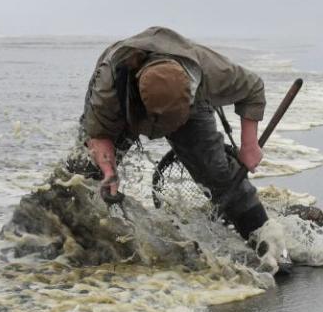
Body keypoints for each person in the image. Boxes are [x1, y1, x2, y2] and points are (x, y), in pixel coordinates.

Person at [68, 26, 270, 239]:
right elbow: (99, 136)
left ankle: (266, 241)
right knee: (86, 173)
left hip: (191, 106)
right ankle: (71, 236)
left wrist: (249, 145)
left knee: (218, 173)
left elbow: (253, 88)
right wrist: (108, 171)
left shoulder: (211, 70)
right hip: (126, 101)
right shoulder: (107, 87)